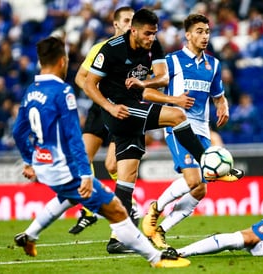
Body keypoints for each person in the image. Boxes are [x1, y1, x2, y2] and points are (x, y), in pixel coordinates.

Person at [11, 36, 190, 268]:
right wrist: (86, 175)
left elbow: (18, 131)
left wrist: (28, 160)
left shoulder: (31, 91)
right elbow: (75, 138)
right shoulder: (62, 91)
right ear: (61, 62)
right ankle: (156, 259)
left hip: (43, 166)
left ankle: (30, 235)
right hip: (65, 168)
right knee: (117, 210)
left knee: (67, 196)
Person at [83, 8, 243, 252]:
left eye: (154, 34)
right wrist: (109, 107)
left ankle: (119, 239)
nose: (151, 39)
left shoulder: (154, 47)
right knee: (176, 115)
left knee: (126, 177)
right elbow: (88, 83)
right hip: (118, 109)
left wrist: (143, 82)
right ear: (133, 30)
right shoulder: (112, 48)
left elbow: (162, 78)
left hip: (134, 110)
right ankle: (206, 160)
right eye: (147, 34)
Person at [141, 13, 244, 249]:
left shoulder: (214, 65)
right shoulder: (171, 61)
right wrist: (174, 100)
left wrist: (224, 105)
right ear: (187, 35)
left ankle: (160, 231)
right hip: (177, 124)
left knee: (200, 189)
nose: (204, 36)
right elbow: (146, 92)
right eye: (199, 31)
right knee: (194, 178)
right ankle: (155, 208)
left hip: (202, 128)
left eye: (207, 31)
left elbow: (218, 97)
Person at [67, 6, 135, 244]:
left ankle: (130, 207)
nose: (131, 25)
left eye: (133, 21)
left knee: (112, 164)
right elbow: (79, 78)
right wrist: (99, 95)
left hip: (124, 109)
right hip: (101, 107)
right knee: (82, 159)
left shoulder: (141, 51)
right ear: (116, 24)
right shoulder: (100, 48)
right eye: (127, 20)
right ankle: (89, 208)